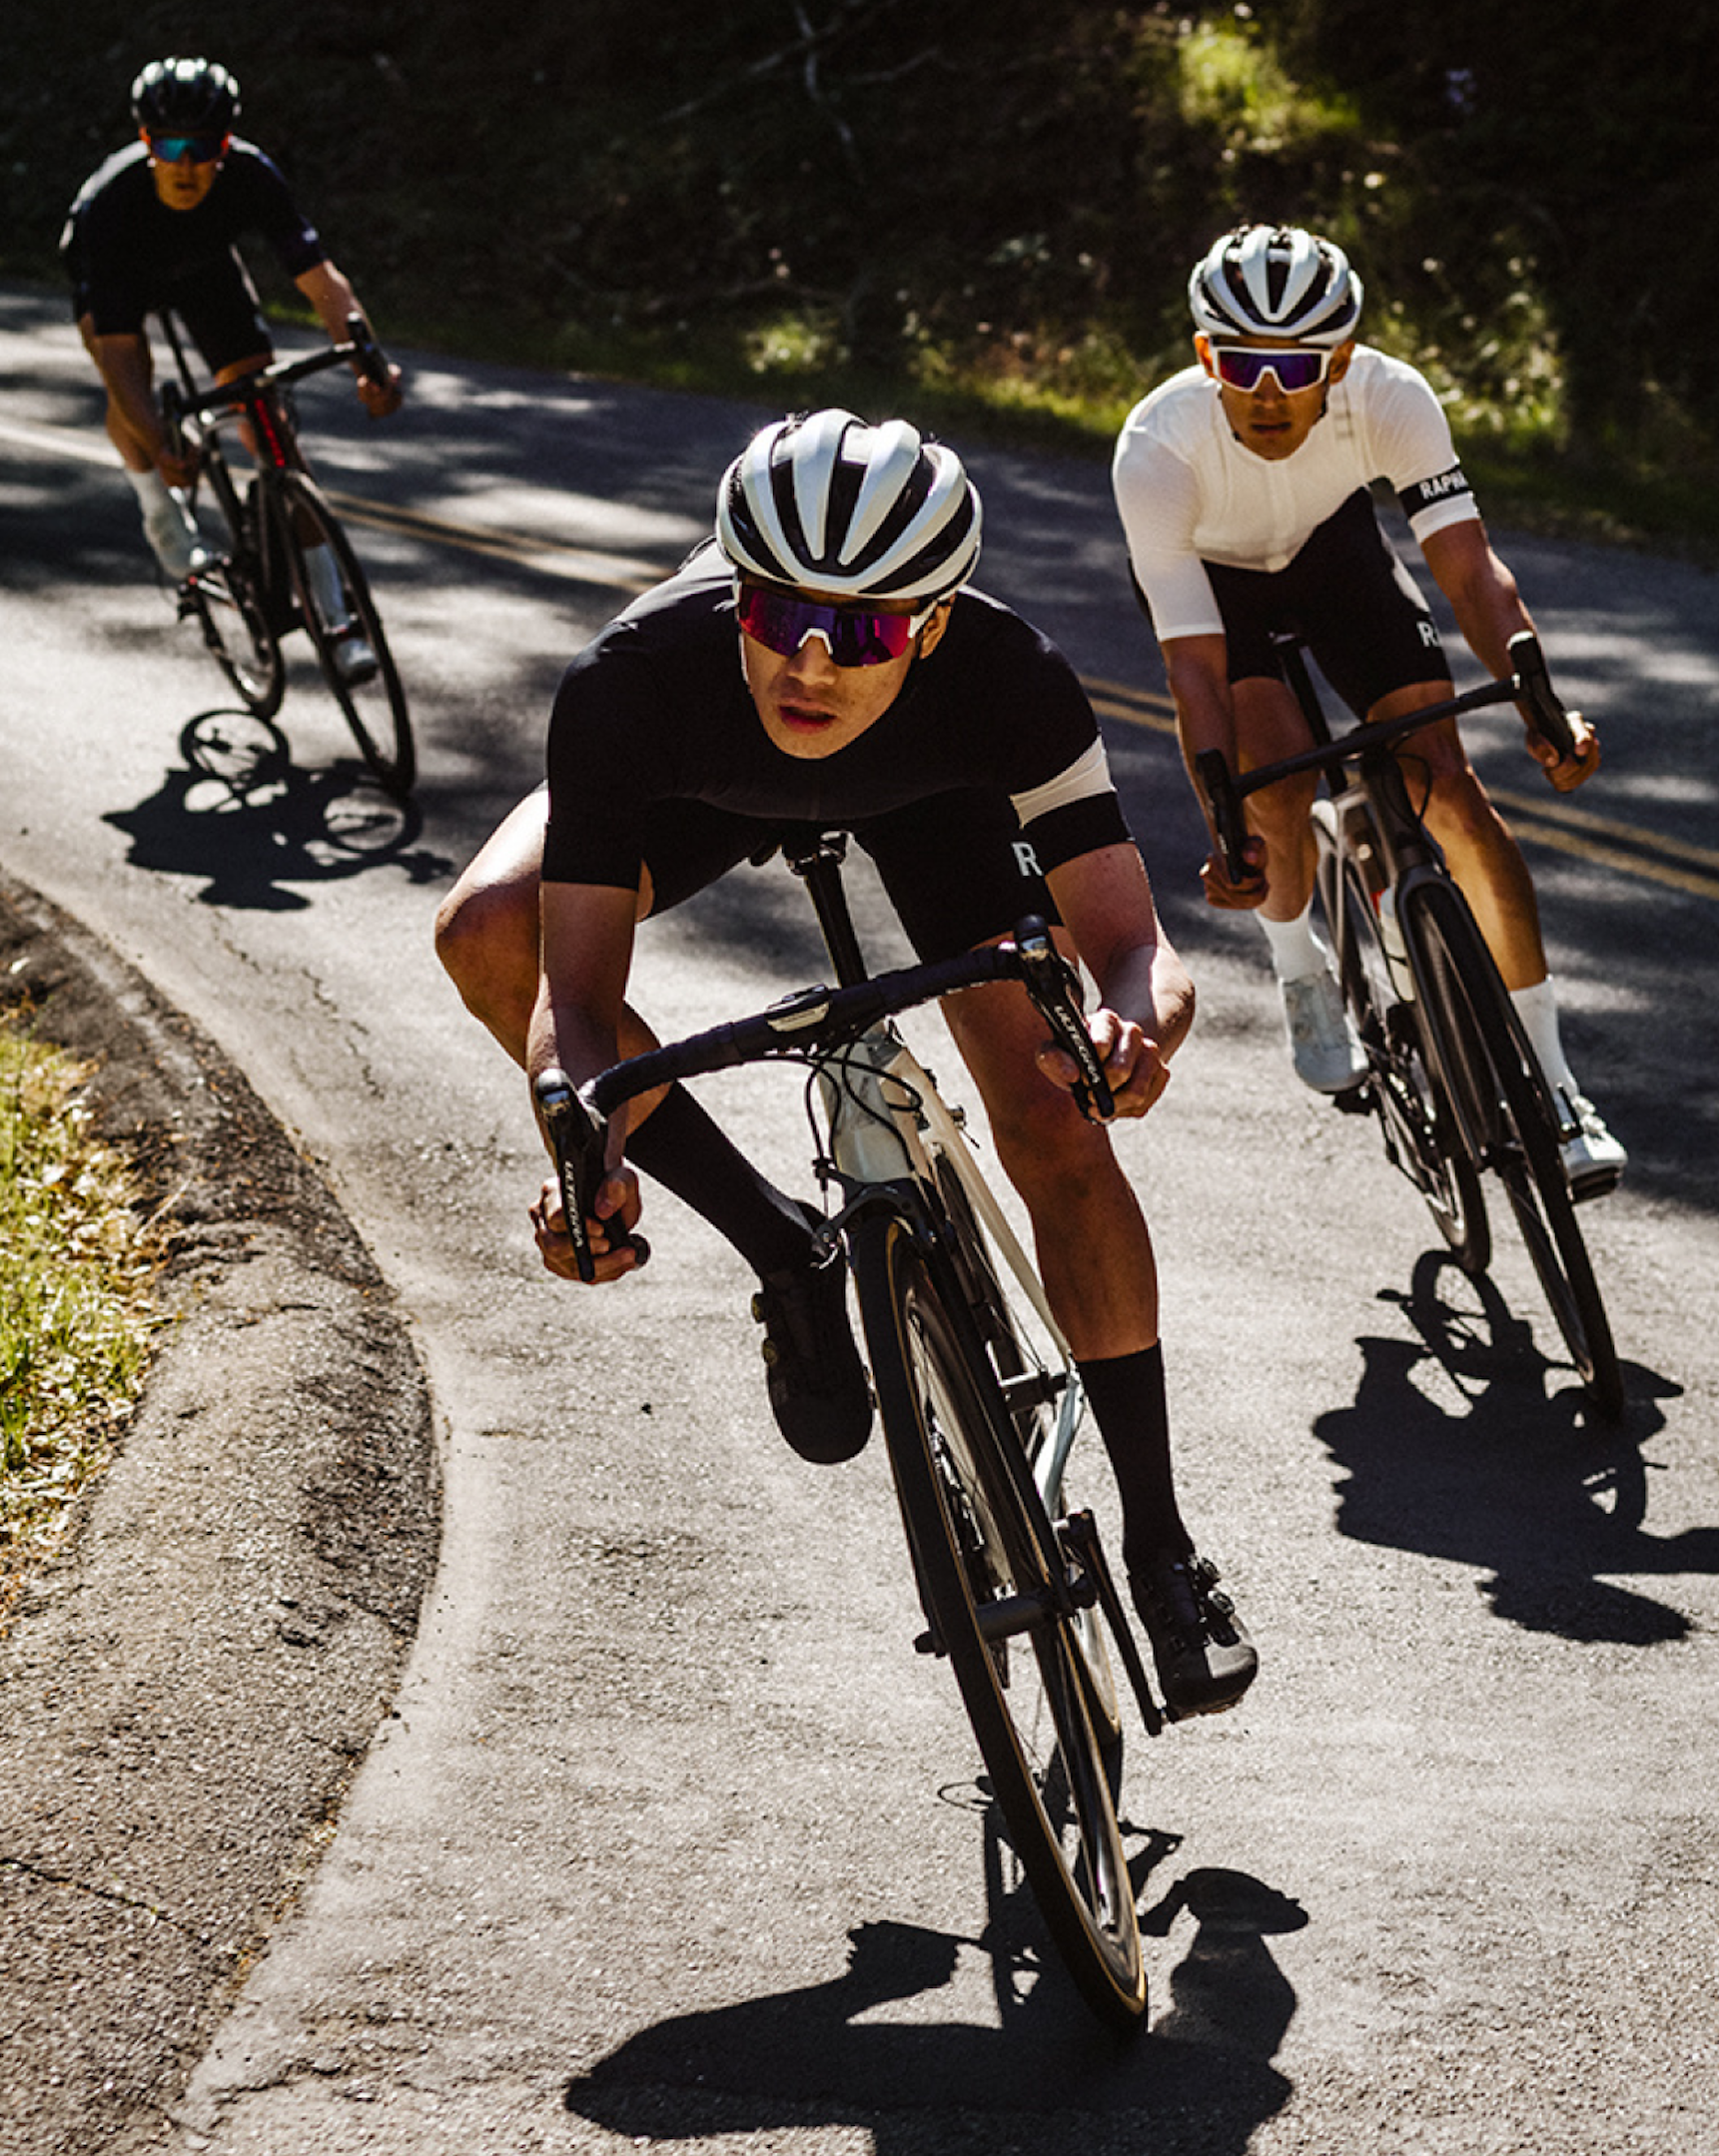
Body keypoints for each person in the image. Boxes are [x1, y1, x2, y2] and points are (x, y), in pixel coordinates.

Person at [430, 409, 1258, 1716]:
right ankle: (788, 1251)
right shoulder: (633, 679)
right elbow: (573, 998)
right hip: (692, 789)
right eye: (779, 612)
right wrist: (577, 1139)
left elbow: (1131, 942)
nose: (812, 660)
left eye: (865, 628)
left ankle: (1162, 1544)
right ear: (734, 592)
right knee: (483, 932)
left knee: (1053, 1114)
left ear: (928, 625)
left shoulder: (1007, 677)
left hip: (936, 804)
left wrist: (1129, 1026)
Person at [1113, 222, 1622, 1194]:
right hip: (1221, 596)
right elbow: (1196, 674)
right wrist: (1227, 825)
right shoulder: (1156, 448)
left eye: (1295, 365)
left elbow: (1469, 572)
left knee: (1449, 789)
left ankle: (1556, 1088)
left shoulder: (1390, 397)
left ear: (1340, 362)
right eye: (1239, 363)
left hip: (1332, 553)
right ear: (1202, 355)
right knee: (1277, 774)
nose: (1266, 393)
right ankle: (1301, 966)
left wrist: (1540, 700)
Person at [62, 54, 403, 662]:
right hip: (118, 271)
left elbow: (323, 284)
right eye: (169, 145)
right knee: (133, 386)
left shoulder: (250, 174)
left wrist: (368, 365)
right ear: (146, 140)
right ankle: (162, 518)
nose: (186, 164)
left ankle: (336, 613)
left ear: (226, 141)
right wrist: (160, 442)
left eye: (204, 145)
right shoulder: (109, 206)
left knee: (267, 420)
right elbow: (116, 355)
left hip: (204, 269)